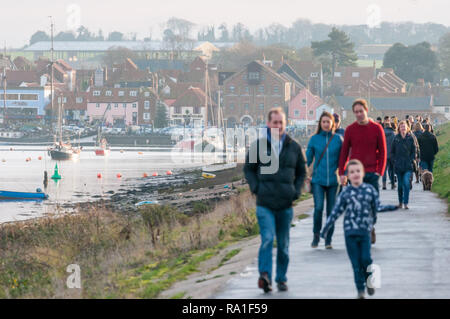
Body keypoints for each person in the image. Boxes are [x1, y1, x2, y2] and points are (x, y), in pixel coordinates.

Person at [244, 107, 306, 293]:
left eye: (281, 122)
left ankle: (281, 278)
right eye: (275, 122)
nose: (278, 126)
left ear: (285, 124)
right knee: (267, 239)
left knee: (284, 245)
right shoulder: (258, 146)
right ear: (268, 124)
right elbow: (249, 169)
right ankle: (265, 276)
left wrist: (296, 192)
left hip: (286, 204)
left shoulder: (294, 147)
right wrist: (256, 188)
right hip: (265, 203)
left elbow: (302, 172)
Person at [321, 159, 378, 299]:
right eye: (352, 172)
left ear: (363, 173)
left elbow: (375, 208)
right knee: (355, 264)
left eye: (358, 171)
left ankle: (370, 279)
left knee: (366, 259)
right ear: (348, 176)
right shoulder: (345, 193)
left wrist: (372, 222)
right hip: (350, 234)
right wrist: (326, 228)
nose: (355, 174)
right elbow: (336, 212)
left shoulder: (369, 190)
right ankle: (360, 290)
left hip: (364, 232)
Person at [306, 112, 343, 249]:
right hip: (318, 181)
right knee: (319, 208)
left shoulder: (338, 139)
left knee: (331, 211)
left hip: (334, 181)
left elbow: (343, 159)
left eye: (329, 122)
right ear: (320, 124)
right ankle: (316, 234)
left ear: (333, 123)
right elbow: (308, 158)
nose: (326, 124)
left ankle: (328, 239)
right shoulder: (314, 139)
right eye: (324, 122)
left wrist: (344, 173)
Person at [338, 99, 387, 195]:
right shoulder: (350, 130)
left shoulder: (377, 128)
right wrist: (342, 173)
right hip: (355, 173)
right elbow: (344, 153)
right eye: (356, 112)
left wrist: (379, 172)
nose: (359, 114)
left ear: (366, 110)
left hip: (372, 173)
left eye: (361, 111)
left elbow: (383, 152)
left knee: (371, 205)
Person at [391, 120, 416, 210]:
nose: (403, 128)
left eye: (404, 127)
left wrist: (412, 159)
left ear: (407, 128)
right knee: (400, 185)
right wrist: (394, 160)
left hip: (408, 165)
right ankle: (400, 202)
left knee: (406, 183)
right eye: (401, 127)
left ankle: (406, 203)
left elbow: (414, 150)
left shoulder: (410, 138)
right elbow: (392, 152)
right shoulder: (396, 138)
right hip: (398, 165)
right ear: (399, 128)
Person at [382, 120, 396, 190]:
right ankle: (393, 184)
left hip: (384, 155)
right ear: (390, 126)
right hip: (392, 154)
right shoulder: (393, 134)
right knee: (392, 170)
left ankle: (384, 185)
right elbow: (395, 145)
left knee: (384, 170)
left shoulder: (381, 133)